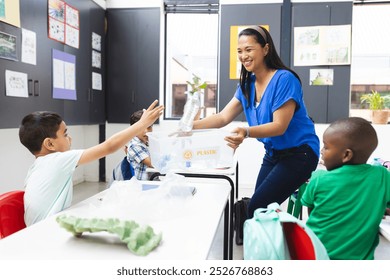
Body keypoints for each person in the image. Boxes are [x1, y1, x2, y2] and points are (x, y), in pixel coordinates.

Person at [193, 25, 319, 219]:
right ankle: (266, 246)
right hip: (274, 154)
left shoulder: (284, 79)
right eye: (240, 51)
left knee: (257, 207)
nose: (244, 56)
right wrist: (189, 127)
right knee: (258, 209)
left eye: (249, 49)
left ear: (266, 49)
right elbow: (222, 117)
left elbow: (279, 126)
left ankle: (275, 246)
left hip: (300, 154)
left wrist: (246, 131)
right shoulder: (247, 85)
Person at [19, 100, 163, 226]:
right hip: (45, 231)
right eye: (65, 134)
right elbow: (109, 147)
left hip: (39, 228)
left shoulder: (40, 165)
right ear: (50, 144)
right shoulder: (58, 161)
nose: (69, 138)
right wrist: (142, 123)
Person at [301, 117, 390, 260]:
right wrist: (375, 206)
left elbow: (313, 212)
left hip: (316, 255)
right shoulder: (382, 176)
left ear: (346, 155)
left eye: (326, 147)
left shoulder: (318, 178)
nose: (322, 151)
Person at [126, 109, 153, 180]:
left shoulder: (145, 142)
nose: (146, 131)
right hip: (141, 185)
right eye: (142, 128)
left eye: (149, 127)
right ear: (133, 129)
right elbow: (152, 163)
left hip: (149, 179)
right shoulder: (135, 145)